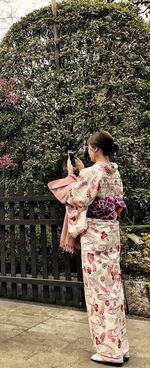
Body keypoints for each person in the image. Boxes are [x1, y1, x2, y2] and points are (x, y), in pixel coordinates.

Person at [49, 130, 129, 366]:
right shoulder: (114, 171)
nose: (88, 151)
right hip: (111, 236)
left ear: (94, 149)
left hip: (95, 238)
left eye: (88, 148)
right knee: (113, 290)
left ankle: (108, 352)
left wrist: (72, 175)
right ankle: (119, 346)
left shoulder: (93, 172)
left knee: (98, 293)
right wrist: (82, 172)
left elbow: (76, 198)